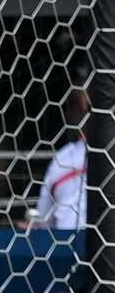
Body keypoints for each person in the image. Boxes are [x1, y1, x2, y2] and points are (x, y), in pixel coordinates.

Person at [30, 90, 89, 231]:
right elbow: (43, 220)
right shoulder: (63, 159)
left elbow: (43, 220)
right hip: (67, 245)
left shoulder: (63, 158)